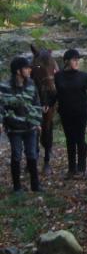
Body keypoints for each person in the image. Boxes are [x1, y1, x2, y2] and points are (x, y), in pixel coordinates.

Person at [54, 49, 87, 179]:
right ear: (66, 61)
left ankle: (81, 169)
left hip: (80, 114)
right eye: (74, 59)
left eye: (77, 59)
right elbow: (54, 93)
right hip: (65, 114)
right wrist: (47, 103)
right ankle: (71, 169)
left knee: (80, 140)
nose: (76, 62)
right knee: (69, 141)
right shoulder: (58, 76)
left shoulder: (83, 76)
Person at [0, 56, 43, 193]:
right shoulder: (4, 87)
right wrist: (1, 122)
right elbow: (1, 107)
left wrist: (37, 122)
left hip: (30, 128)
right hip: (14, 129)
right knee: (16, 156)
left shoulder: (31, 84)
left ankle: (35, 186)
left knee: (32, 155)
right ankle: (17, 187)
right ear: (18, 71)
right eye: (26, 68)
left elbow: (36, 104)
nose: (29, 70)